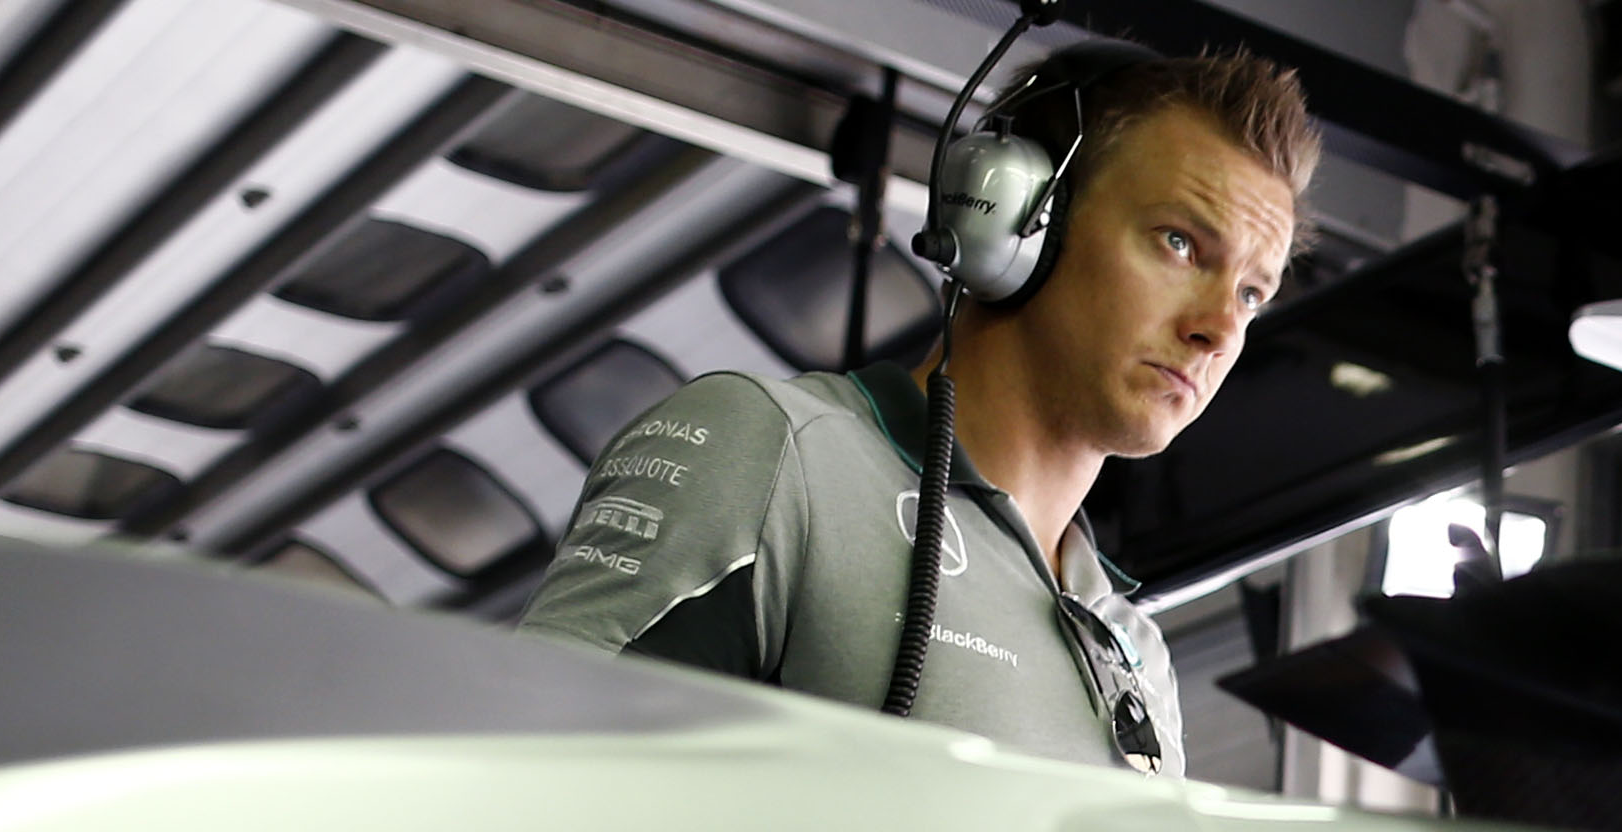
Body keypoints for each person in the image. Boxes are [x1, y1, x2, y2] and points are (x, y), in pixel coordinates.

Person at [525, 43, 1313, 769]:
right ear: (1020, 225)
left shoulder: (1134, 648)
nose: (1219, 328)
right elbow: (525, 769)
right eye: (1179, 243)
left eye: (1252, 292)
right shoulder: (773, 452)